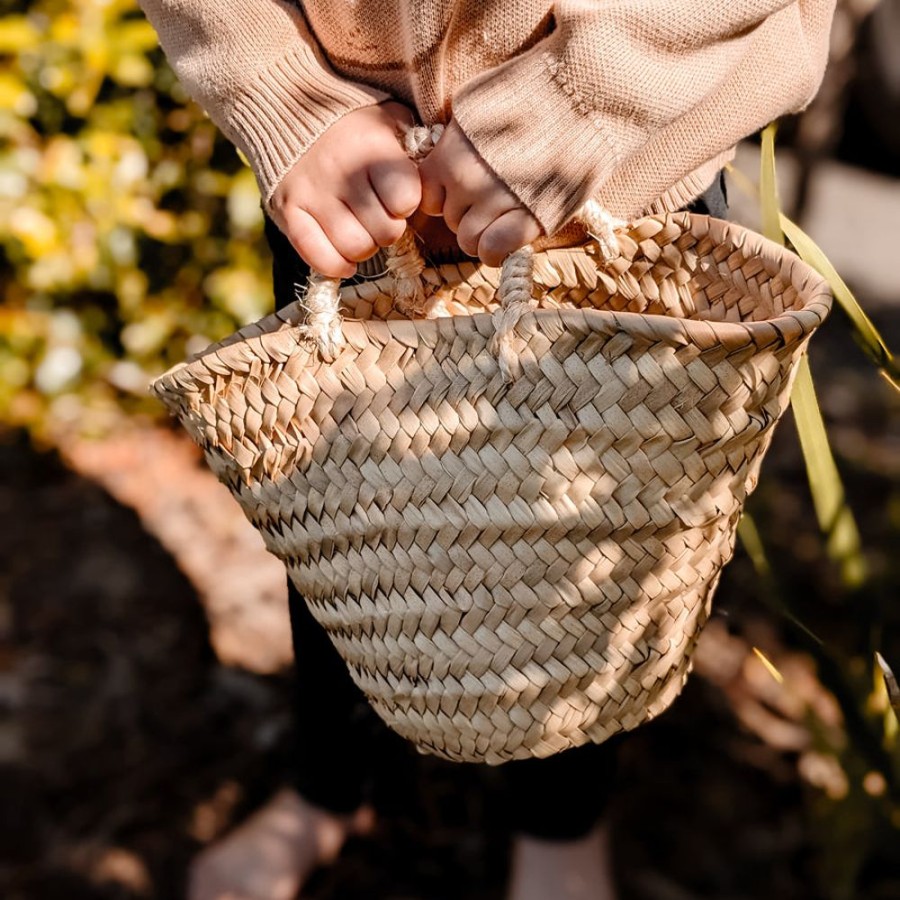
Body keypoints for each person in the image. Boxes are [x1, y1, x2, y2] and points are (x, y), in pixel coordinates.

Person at [136, 2, 836, 897]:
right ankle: (328, 786)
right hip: (345, 157)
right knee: (344, 515)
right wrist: (280, 86)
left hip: (627, 153)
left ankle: (563, 828)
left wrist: (578, 101)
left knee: (598, 538)